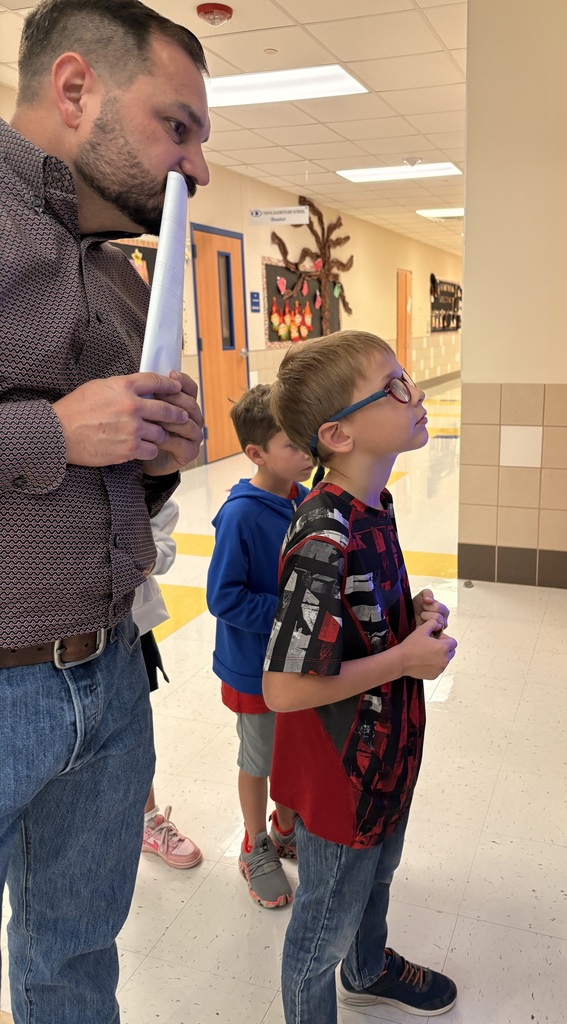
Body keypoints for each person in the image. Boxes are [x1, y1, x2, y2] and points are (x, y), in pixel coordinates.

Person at [0, 1, 209, 1020]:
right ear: (76, 88)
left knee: (75, 959)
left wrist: (158, 458)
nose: (198, 166)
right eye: (179, 126)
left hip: (112, 679)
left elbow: (119, 480)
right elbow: (63, 439)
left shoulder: (125, 276)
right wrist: (55, 430)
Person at [263, 331, 459, 1022]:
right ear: (339, 434)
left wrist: (412, 616)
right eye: (396, 385)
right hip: (343, 772)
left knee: (376, 877)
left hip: (388, 755)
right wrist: (404, 660)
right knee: (322, 926)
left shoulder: (374, 504)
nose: (418, 394)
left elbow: (355, 616)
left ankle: (369, 967)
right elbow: (283, 688)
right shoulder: (324, 536)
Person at [207, 385, 314, 908]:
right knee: (259, 756)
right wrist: (286, 613)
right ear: (257, 453)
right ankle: (256, 843)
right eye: (293, 445)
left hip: (299, 663)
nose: (306, 453)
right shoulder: (241, 516)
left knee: (295, 748)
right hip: (255, 669)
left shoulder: (301, 498)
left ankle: (287, 823)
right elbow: (222, 597)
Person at [133, 498, 203, 870]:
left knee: (132, 731)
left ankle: (146, 822)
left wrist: (129, 552)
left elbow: (160, 548)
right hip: (34, 635)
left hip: (126, 627)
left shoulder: (136, 482)